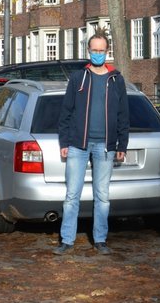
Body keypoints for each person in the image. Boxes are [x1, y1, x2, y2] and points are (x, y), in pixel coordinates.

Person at [53, 29, 129, 255]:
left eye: (101, 50)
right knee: (71, 196)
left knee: (102, 196)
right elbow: (66, 112)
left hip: (105, 147)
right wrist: (64, 142)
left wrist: (122, 145)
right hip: (78, 145)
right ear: (88, 51)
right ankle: (67, 239)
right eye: (94, 50)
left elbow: (123, 114)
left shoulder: (116, 80)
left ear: (107, 52)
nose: (97, 54)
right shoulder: (78, 78)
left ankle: (100, 239)